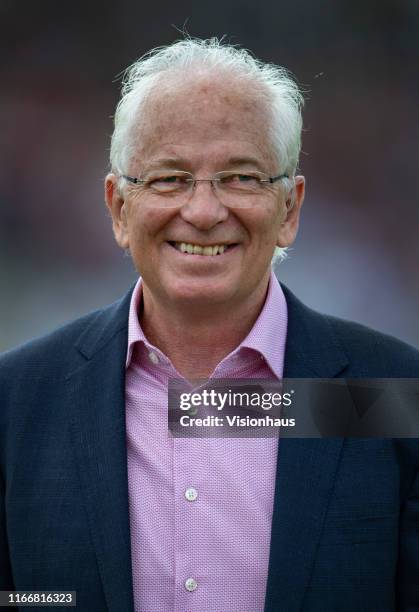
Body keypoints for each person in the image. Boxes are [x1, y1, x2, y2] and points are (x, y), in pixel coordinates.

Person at [1, 38, 418, 612]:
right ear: (119, 209)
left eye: (241, 177)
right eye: (169, 178)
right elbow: (23, 598)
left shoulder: (392, 394)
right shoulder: (16, 400)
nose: (202, 211)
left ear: (290, 210)